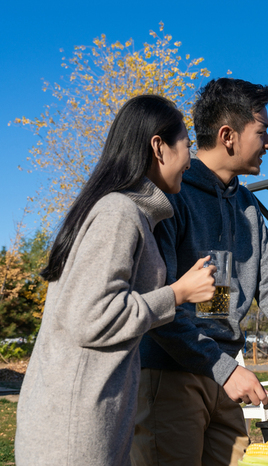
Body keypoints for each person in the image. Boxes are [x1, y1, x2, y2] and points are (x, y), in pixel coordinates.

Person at [131, 78, 268, 466]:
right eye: (262, 132)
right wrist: (223, 368)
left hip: (226, 375)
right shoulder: (172, 196)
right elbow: (157, 302)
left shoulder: (247, 203)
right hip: (171, 373)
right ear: (228, 135)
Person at [15, 95, 217, 466]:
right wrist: (177, 293)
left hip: (91, 423)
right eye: (187, 146)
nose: (190, 161)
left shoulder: (131, 213)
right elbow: (92, 318)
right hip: (74, 431)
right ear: (159, 146)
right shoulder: (119, 213)